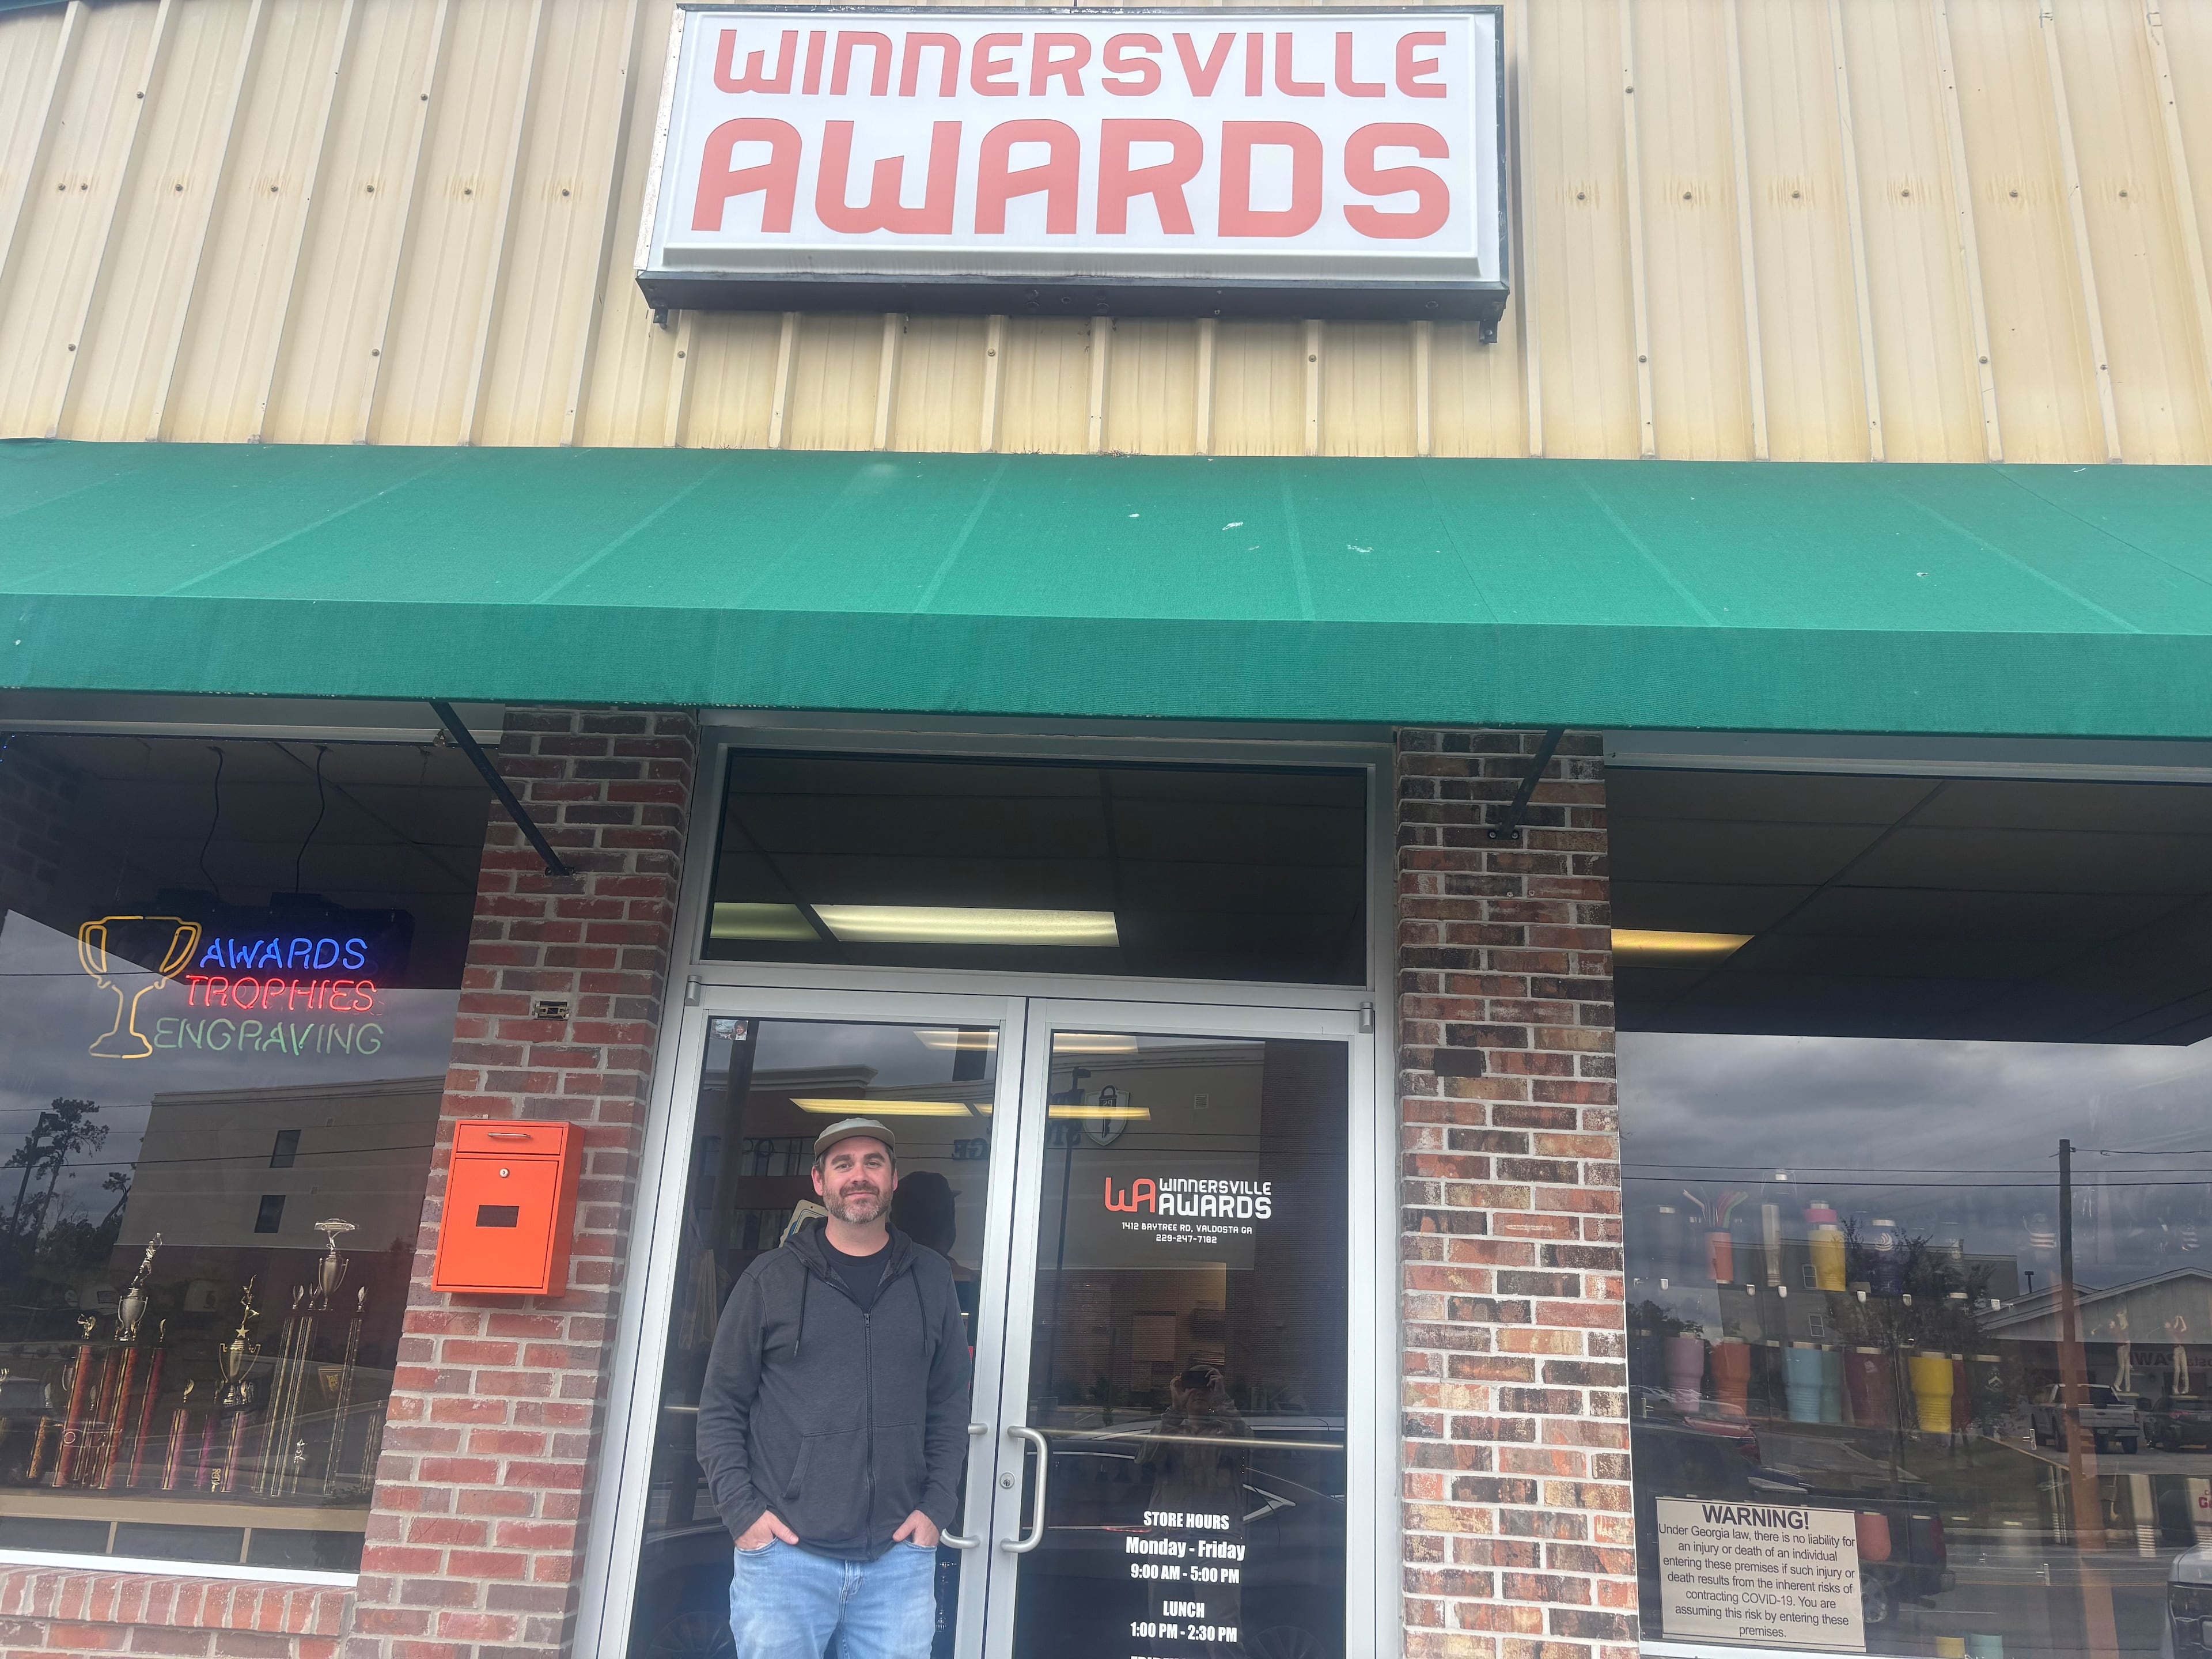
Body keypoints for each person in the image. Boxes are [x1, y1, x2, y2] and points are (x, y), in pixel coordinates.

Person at [696, 1117, 972, 1659]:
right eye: (843, 1165)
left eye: (874, 1162)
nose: (859, 1176)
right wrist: (743, 1517)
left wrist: (936, 1508)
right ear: (819, 1183)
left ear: (893, 1179)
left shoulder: (932, 1278)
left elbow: (948, 1403)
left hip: (898, 1560)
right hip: (784, 1558)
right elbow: (721, 1407)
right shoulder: (768, 1279)